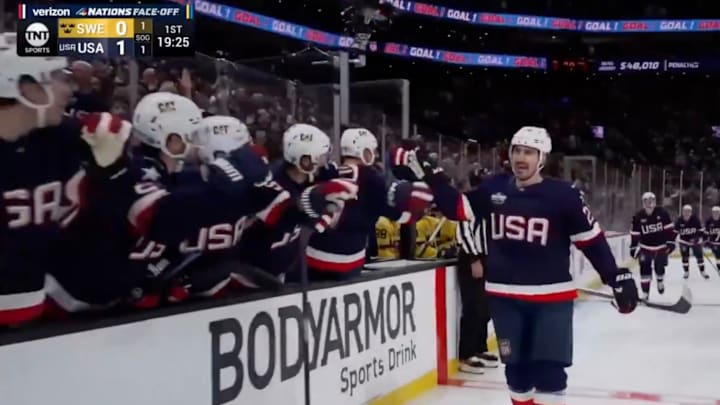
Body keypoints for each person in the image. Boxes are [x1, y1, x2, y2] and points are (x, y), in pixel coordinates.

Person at [392, 126, 638, 405]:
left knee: (550, 372)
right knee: (516, 372)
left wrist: (615, 277)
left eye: (529, 152)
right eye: (517, 151)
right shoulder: (494, 188)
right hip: (504, 298)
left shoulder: (564, 196)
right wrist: (431, 174)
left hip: (551, 300)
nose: (522, 158)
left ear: (542, 158)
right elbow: (456, 208)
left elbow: (591, 240)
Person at [307, 127, 432, 280]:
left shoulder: (329, 171)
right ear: (363, 151)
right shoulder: (371, 178)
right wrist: (412, 211)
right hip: (348, 261)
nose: (376, 154)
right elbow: (393, 211)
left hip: (313, 256)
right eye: (373, 150)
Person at [456, 168, 498, 375]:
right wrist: (474, 258)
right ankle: (466, 353)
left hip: (487, 257)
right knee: (472, 306)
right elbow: (462, 231)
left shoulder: (490, 202)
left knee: (485, 307)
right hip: (472, 257)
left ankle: (480, 347)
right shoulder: (468, 199)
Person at [630, 192, 676, 300]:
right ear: (643, 203)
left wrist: (671, 242)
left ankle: (660, 281)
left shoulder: (663, 213)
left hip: (661, 247)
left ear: (655, 202)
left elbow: (669, 229)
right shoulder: (638, 216)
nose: (649, 204)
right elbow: (635, 233)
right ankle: (645, 294)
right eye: (646, 201)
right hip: (645, 248)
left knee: (659, 268)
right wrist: (633, 247)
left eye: (651, 201)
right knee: (644, 270)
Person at [675, 204, 708, 280]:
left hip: (695, 242)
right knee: (685, 257)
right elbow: (675, 231)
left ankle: (702, 271)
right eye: (685, 211)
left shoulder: (695, 219)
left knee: (699, 256)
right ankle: (686, 272)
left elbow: (700, 230)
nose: (686, 213)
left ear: (691, 212)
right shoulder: (679, 220)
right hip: (684, 242)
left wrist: (697, 238)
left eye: (688, 211)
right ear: (682, 212)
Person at [705, 206, 720, 275]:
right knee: (717, 256)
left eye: (717, 212)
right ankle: (719, 267)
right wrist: (706, 240)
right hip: (713, 243)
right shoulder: (709, 221)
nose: (716, 213)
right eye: (714, 212)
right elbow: (706, 232)